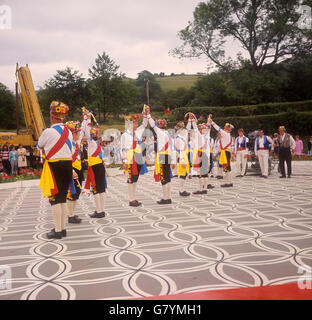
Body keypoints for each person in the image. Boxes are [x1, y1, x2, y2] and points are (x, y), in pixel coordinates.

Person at [38, 101, 73, 239]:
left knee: (54, 199)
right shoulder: (69, 131)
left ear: (52, 116)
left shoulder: (48, 131)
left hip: (54, 166)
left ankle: (57, 230)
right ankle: (62, 228)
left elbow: (39, 145)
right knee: (63, 197)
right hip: (68, 165)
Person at [147, 109, 176, 204]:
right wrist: (173, 161)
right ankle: (168, 197)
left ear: (159, 126)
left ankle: (165, 198)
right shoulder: (168, 134)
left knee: (163, 178)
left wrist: (148, 114)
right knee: (168, 178)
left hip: (162, 156)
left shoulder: (159, 132)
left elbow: (152, 124)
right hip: (168, 156)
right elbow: (172, 148)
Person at [81, 108, 107, 218]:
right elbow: (91, 129)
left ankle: (99, 211)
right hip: (100, 165)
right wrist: (88, 117)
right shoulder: (97, 142)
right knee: (101, 188)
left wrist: (87, 118)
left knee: (96, 188)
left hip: (94, 166)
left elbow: (86, 130)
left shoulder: (91, 142)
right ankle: (102, 210)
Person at [121, 113, 149, 207]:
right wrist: (124, 161)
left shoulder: (137, 132)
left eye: (137, 123)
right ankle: (131, 199)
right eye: (135, 123)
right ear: (130, 124)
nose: (137, 125)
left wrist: (145, 113)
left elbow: (144, 124)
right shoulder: (125, 135)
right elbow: (122, 148)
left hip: (138, 156)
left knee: (135, 178)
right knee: (130, 178)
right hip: (129, 157)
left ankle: (134, 197)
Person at [65, 121, 84, 224]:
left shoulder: (76, 143)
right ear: (72, 134)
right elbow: (68, 160)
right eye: (77, 133)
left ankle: (72, 213)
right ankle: (70, 215)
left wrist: (86, 119)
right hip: (72, 170)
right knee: (71, 192)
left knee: (77, 192)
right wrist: (72, 171)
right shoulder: (68, 145)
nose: (79, 135)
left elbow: (84, 131)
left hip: (79, 169)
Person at [208, 118, 234, 187]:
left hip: (225, 152)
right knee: (227, 167)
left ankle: (228, 183)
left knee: (227, 167)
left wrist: (212, 122)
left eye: (225, 128)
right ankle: (229, 182)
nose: (224, 128)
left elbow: (218, 129)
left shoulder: (225, 134)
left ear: (228, 129)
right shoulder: (228, 135)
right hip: (226, 152)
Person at [174, 120, 190, 197]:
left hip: (184, 155)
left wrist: (190, 121)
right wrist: (182, 160)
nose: (184, 130)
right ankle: (181, 190)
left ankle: (182, 189)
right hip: (182, 156)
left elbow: (187, 130)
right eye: (183, 128)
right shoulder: (178, 138)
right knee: (182, 173)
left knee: (185, 173)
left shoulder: (182, 136)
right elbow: (179, 150)